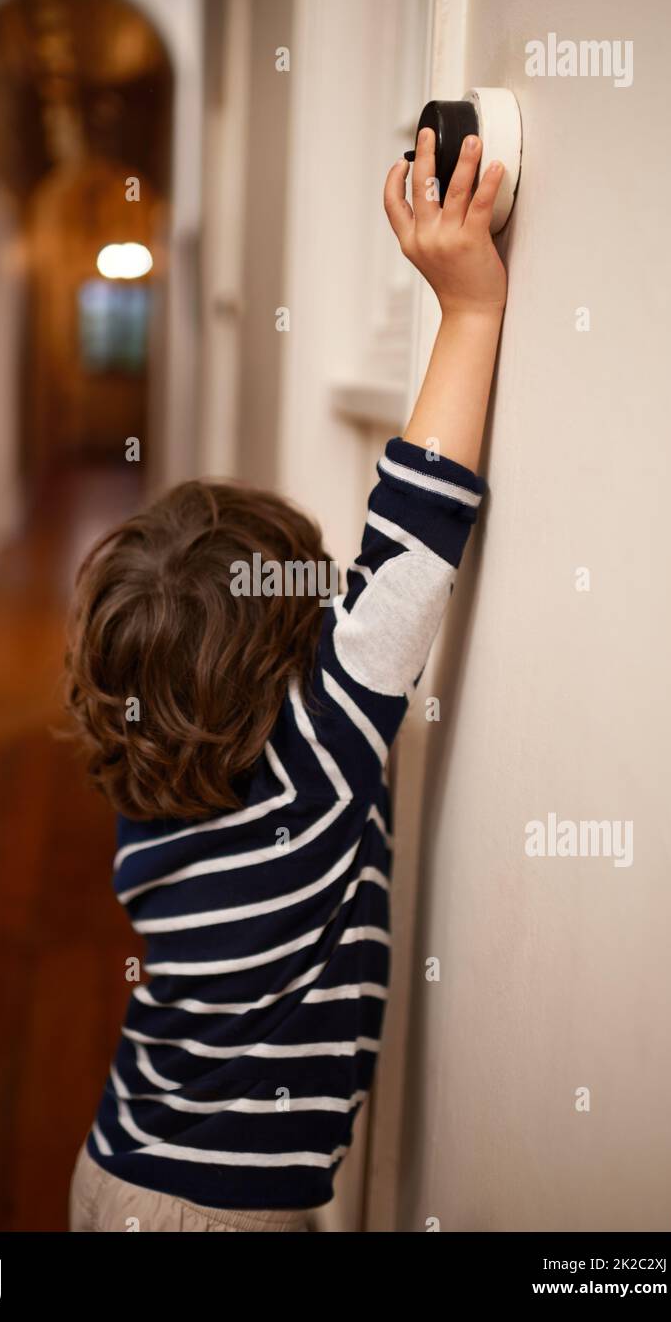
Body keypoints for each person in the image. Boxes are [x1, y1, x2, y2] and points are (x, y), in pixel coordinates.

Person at [65, 127, 508, 1232]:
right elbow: (413, 537)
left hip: (117, 1166)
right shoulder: (315, 763)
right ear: (296, 659)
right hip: (226, 1214)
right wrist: (471, 311)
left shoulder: (147, 780)